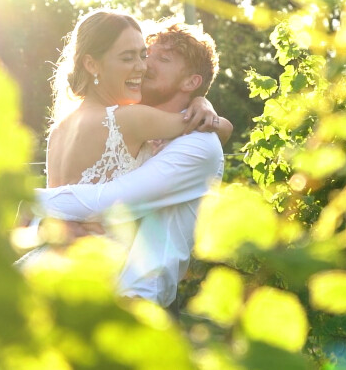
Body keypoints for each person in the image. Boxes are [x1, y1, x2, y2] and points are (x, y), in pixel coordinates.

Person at [28, 20, 226, 309]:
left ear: (190, 82)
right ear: (93, 65)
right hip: (99, 283)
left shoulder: (59, 129)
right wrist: (208, 112)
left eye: (148, 57)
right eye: (133, 56)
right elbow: (107, 201)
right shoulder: (132, 121)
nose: (144, 66)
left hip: (68, 277)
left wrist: (33, 207)